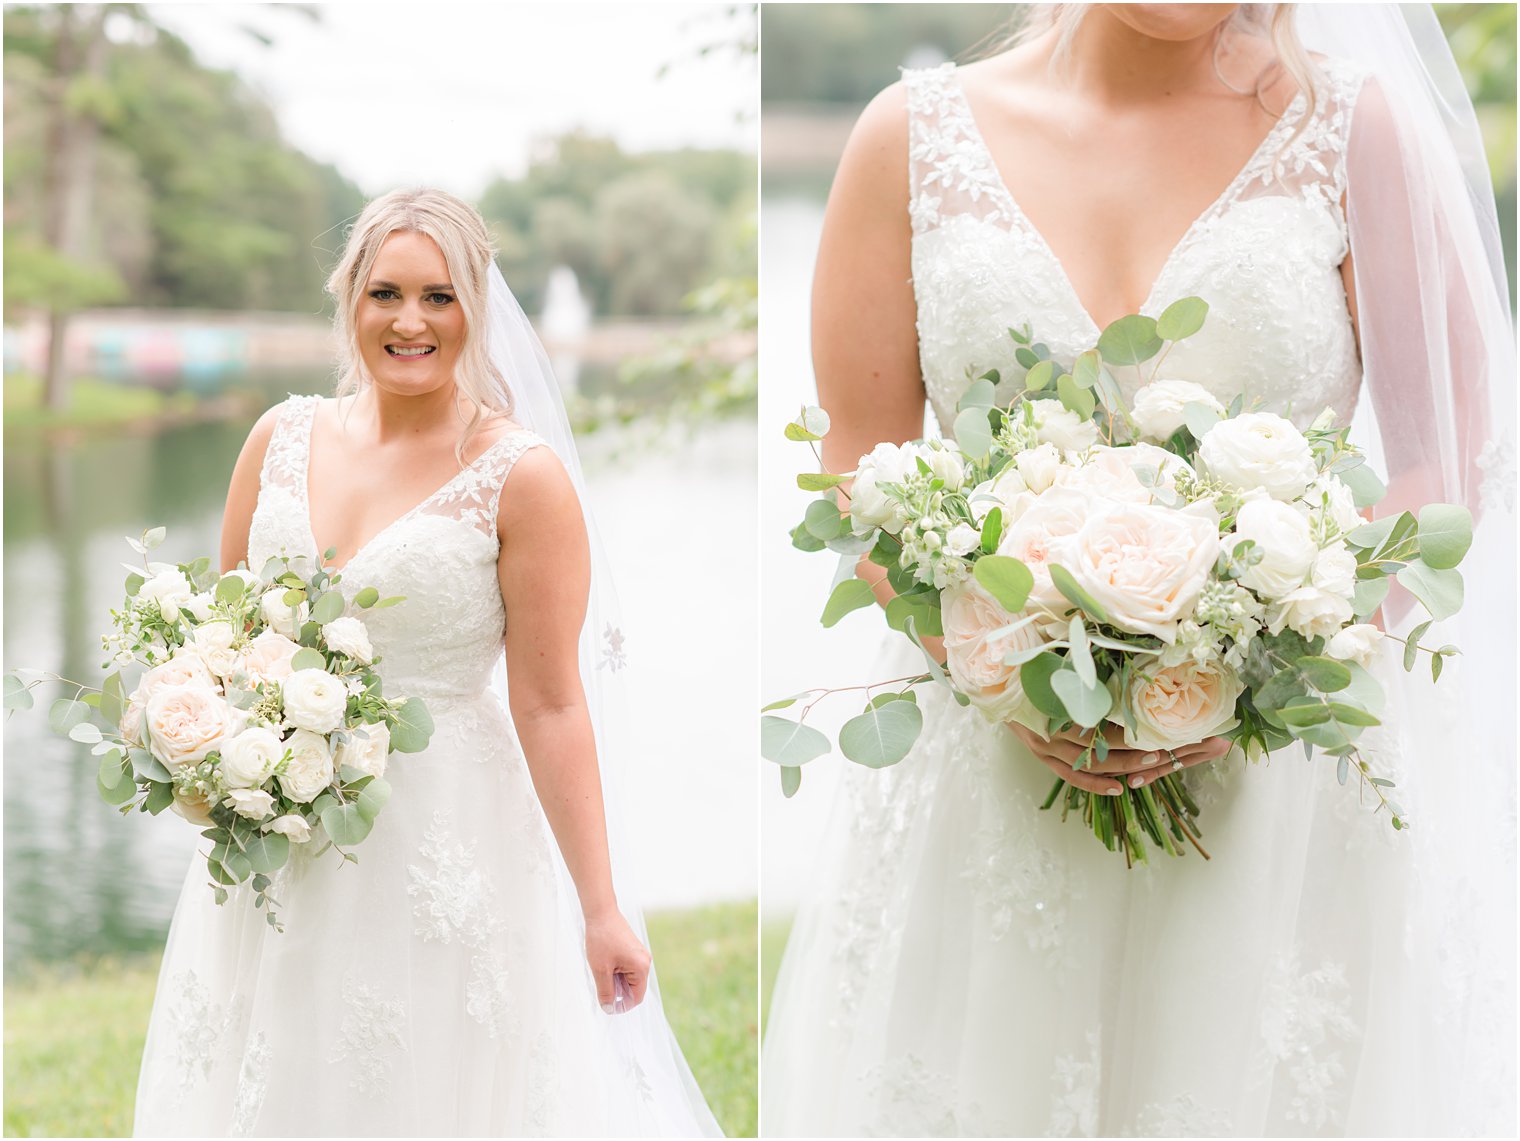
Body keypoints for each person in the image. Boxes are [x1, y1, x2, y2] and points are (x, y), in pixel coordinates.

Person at [762, 4, 1514, 1136]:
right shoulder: (907, 137)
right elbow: (858, 460)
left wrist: (1257, 658)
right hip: (995, 764)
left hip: (1277, 786)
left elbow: (1445, 457)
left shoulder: (1351, 130)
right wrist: (993, 654)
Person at [133, 189, 722, 1137]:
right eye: (386, 293)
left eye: (440, 297)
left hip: (447, 842)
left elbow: (551, 703)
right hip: (277, 834)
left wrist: (601, 906)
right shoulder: (276, 439)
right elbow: (221, 638)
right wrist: (197, 735)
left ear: (478, 306)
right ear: (349, 299)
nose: (411, 321)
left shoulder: (520, 477)